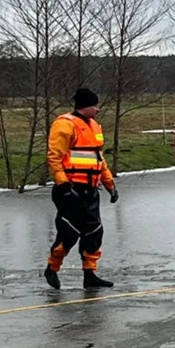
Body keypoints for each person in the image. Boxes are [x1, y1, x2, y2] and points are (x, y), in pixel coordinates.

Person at [43, 87, 120, 290]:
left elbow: (98, 159)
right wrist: (63, 184)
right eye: (95, 105)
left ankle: (90, 274)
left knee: (94, 232)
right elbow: (54, 157)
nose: (98, 109)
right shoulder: (65, 125)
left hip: (90, 189)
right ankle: (52, 268)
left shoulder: (94, 126)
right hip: (71, 189)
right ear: (85, 106)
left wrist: (109, 184)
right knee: (69, 233)